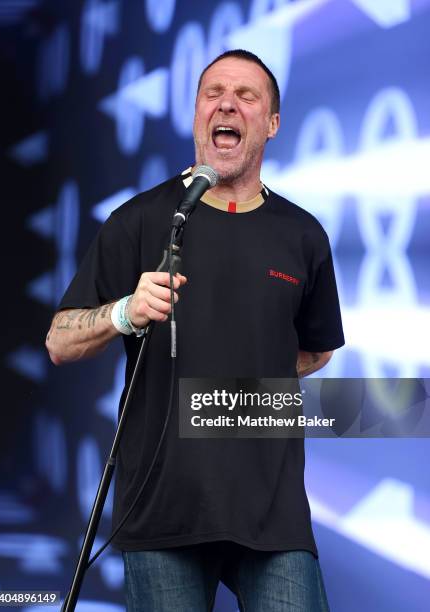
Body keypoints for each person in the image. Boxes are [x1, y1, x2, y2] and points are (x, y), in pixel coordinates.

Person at [46, 49, 344, 612]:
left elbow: (315, 349)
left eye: (246, 95)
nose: (226, 103)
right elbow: (59, 339)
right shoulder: (139, 219)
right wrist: (122, 313)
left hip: (271, 513)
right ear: (196, 115)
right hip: (162, 511)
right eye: (213, 93)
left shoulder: (303, 236)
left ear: (272, 123)